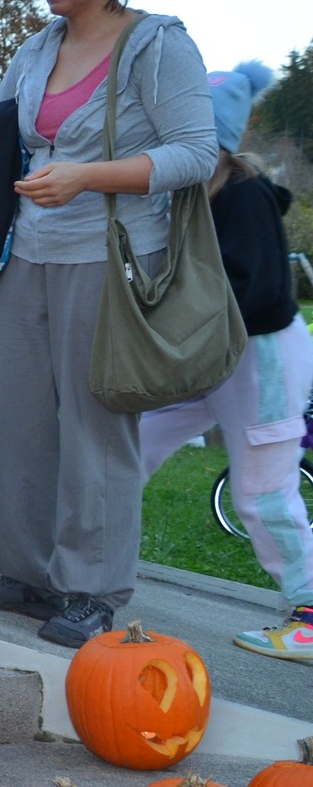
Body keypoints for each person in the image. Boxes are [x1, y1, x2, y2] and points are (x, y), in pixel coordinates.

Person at [0, 0, 214, 647]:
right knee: (1, 427)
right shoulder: (33, 50)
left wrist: (88, 176)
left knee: (96, 433)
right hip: (26, 260)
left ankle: (89, 590)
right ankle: (27, 574)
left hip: (111, 262)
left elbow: (194, 153)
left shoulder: (156, 45)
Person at [138, 62, 313, 660]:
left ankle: (311, 612)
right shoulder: (184, 197)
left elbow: (254, 289)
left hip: (261, 354)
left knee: (263, 491)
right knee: (128, 439)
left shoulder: (245, 197)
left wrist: (176, 326)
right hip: (210, 353)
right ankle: (81, 562)